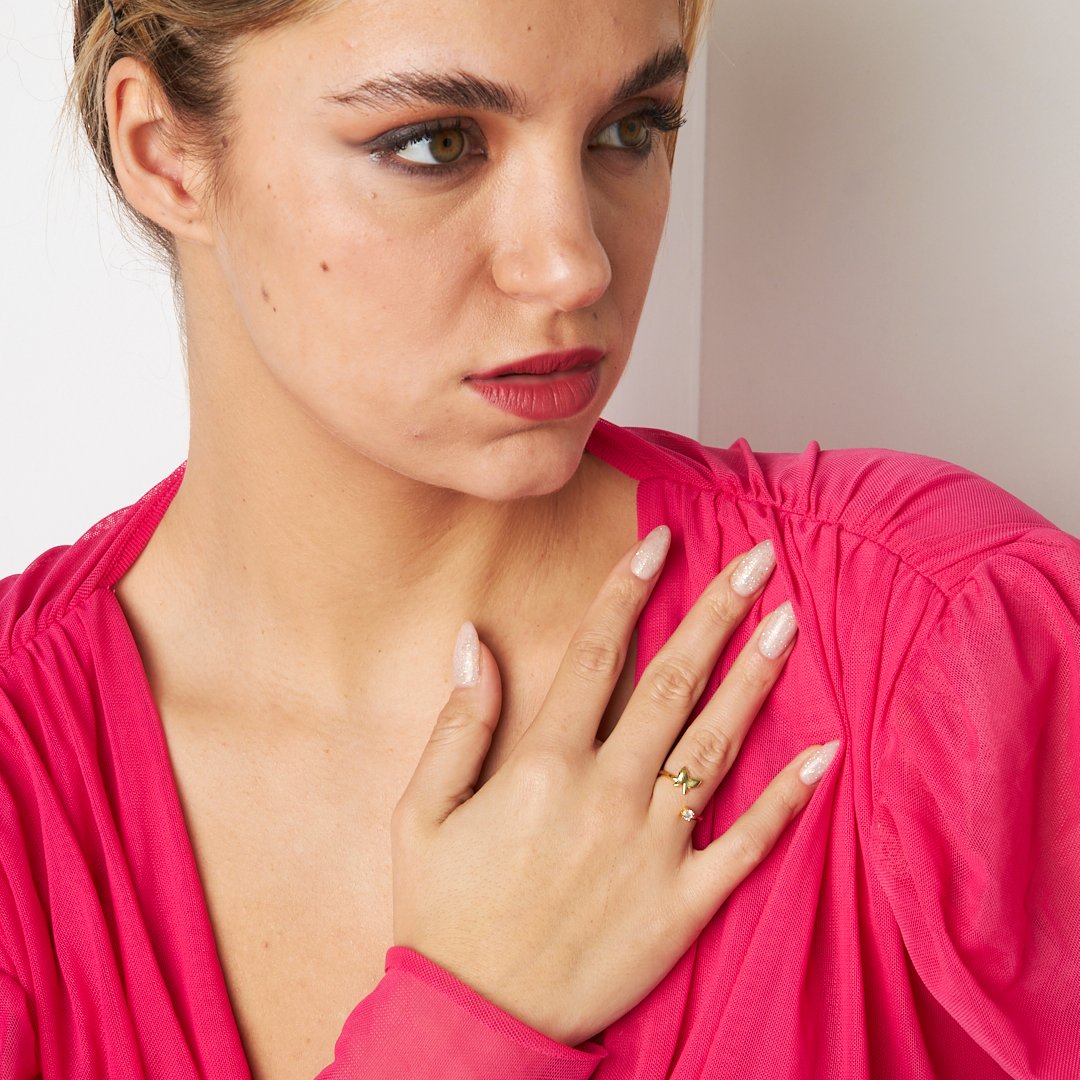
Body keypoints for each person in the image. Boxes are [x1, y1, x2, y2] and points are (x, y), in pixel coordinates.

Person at [1, 0, 1078, 1077]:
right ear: (166, 155)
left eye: (631, 129)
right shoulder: (21, 783)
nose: (575, 268)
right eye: (437, 142)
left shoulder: (941, 654)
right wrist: (460, 1028)